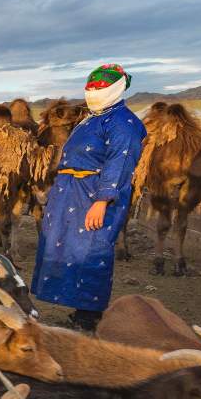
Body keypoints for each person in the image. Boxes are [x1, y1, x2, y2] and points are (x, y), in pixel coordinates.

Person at [32, 63, 145, 331]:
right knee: (68, 248)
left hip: (94, 192)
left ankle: (90, 316)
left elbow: (120, 162)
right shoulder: (92, 118)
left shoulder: (124, 123)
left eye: (100, 87)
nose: (93, 91)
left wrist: (102, 201)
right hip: (71, 192)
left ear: (116, 88)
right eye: (90, 86)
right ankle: (80, 309)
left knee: (92, 250)